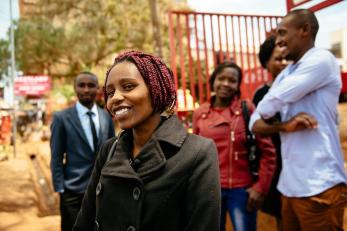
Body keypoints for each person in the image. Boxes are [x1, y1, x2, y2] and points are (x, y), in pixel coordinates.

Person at [73, 51, 221, 231]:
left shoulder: (198, 152)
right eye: (110, 92)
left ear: (156, 89)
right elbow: (85, 220)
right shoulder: (109, 149)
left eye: (128, 86)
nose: (115, 98)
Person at [249, 9, 347, 231]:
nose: (279, 40)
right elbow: (254, 121)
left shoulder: (322, 60)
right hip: (289, 189)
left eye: (283, 32)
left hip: (320, 188)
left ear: (305, 30)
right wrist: (285, 125)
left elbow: (271, 102)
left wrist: (268, 116)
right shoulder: (286, 73)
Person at [192, 61, 276, 231]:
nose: (225, 84)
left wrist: (260, 188)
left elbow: (268, 152)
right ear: (213, 80)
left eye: (232, 80)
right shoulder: (200, 113)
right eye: (221, 78)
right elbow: (194, 154)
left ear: (238, 85)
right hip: (209, 190)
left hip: (241, 191)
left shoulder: (247, 109)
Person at [50, 71, 115, 231]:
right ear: (75, 88)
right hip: (72, 192)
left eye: (91, 85)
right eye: (81, 85)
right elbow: (56, 157)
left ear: (98, 89)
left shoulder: (106, 117)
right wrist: (60, 189)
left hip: (102, 191)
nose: (86, 90)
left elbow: (113, 153)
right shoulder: (61, 118)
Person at [252, 35, 287, 230]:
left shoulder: (301, 87)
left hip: (300, 159)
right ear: (266, 63)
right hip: (275, 162)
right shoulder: (260, 95)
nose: (283, 63)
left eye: (286, 58)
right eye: (278, 59)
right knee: (281, 212)